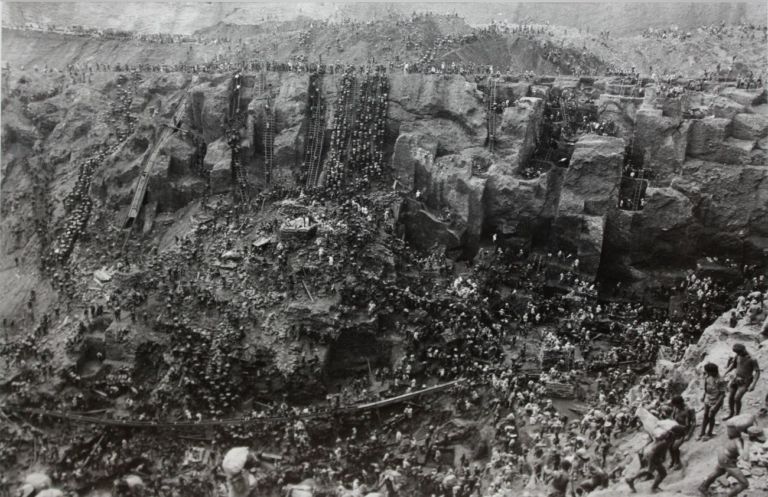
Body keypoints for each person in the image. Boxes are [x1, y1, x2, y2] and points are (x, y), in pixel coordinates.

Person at [698, 423, 752, 497]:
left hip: (722, 455)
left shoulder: (734, 436)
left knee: (719, 471)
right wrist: (747, 441)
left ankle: (703, 487)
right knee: (744, 483)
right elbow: (745, 458)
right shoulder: (738, 441)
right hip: (727, 460)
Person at [625, 428, 678, 493]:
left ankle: (632, 480)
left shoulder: (665, 443)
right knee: (656, 472)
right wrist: (651, 463)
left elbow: (662, 452)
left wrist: (662, 458)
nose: (674, 439)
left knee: (660, 473)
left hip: (655, 458)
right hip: (653, 458)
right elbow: (652, 452)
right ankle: (653, 487)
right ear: (670, 438)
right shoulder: (664, 443)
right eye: (674, 438)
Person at [723, 343, 760, 420]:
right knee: (730, 397)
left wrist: (753, 384)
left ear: (744, 349)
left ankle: (737, 414)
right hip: (736, 379)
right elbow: (733, 365)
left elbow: (757, 372)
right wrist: (725, 373)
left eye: (739, 352)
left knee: (737, 398)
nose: (738, 354)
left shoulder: (752, 359)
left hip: (745, 381)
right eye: (737, 353)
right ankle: (731, 413)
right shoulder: (738, 355)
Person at [668, 395, 696, 470]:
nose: (676, 407)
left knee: (674, 447)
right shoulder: (675, 408)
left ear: (680, 403)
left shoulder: (689, 409)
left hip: (685, 431)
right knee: (669, 445)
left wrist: (689, 435)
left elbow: (693, 423)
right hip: (676, 429)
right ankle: (673, 460)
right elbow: (672, 417)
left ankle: (678, 463)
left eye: (676, 405)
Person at [699, 363, 726, 440]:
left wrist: (716, 406)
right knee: (705, 415)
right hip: (708, 398)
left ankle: (709, 433)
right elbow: (706, 387)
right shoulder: (708, 376)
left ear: (712, 371)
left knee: (711, 417)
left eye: (708, 371)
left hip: (716, 400)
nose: (707, 373)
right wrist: (704, 395)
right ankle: (702, 432)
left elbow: (722, 394)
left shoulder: (720, 380)